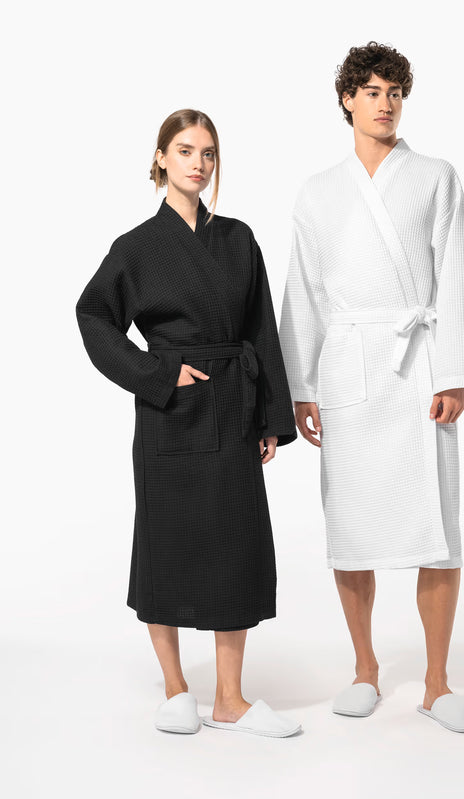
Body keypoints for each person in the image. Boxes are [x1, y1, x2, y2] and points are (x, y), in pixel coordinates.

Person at [279, 42, 464, 733]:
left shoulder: (435, 176)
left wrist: (453, 373)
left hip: (420, 369)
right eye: (371, 91)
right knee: (352, 528)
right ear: (347, 99)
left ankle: (436, 682)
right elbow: (304, 293)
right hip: (348, 369)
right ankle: (364, 668)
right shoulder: (317, 191)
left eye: (395, 91)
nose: (385, 103)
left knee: (440, 530)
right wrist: (300, 386)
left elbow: (454, 274)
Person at [76, 109, 301, 738]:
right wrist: (156, 372)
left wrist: (270, 416)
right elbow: (93, 315)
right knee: (166, 542)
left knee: (237, 543)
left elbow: (261, 328)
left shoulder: (238, 239)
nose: (198, 163)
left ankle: (230, 699)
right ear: (161, 159)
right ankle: (176, 690)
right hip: (170, 415)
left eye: (207, 153)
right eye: (184, 150)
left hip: (233, 407)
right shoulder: (137, 247)